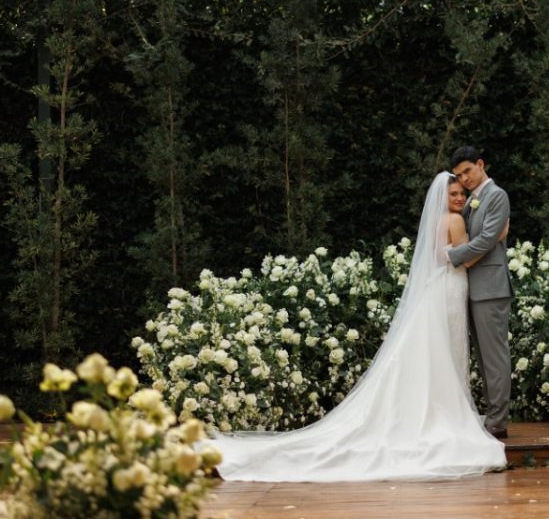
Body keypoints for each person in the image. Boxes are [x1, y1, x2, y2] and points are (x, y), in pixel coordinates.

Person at [210, 172, 507, 482]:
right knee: (450, 349)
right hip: (450, 288)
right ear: (443, 197)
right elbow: (466, 260)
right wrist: (495, 235)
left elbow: (440, 255)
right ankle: (447, 410)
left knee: (439, 351)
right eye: (454, 193)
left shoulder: (438, 220)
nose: (459, 198)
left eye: (462, 193)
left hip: (438, 287)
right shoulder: (456, 221)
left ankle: (437, 406)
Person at [447, 146, 515, 440]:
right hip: (472, 288)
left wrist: (450, 256)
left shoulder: (496, 196)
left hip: (491, 288)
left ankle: (498, 421)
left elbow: (487, 239)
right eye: (460, 175)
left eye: (468, 171)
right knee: (482, 357)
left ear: (480, 164)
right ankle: (491, 414)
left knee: (494, 357)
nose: (464, 179)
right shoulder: (470, 200)